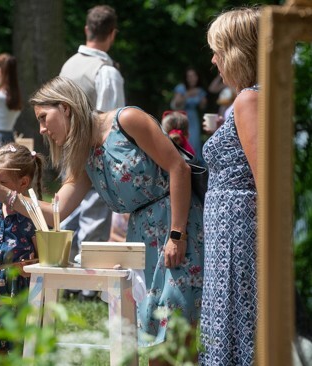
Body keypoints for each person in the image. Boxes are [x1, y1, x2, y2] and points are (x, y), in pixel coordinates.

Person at [0, 76, 204, 356]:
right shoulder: (84, 156)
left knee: (178, 339)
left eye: (43, 117)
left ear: (65, 108)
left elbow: (178, 169)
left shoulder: (127, 120)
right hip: (141, 239)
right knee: (155, 341)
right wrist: (5, 194)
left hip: (177, 223)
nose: (41, 129)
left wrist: (177, 233)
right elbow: (56, 212)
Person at [199, 7, 260, 365]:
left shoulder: (249, 98)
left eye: (218, 50)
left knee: (237, 321)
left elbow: (263, 175)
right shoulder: (250, 97)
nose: (213, 59)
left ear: (237, 52)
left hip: (238, 235)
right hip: (229, 234)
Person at [59, 5, 125, 275]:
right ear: (113, 34)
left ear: (87, 29)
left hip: (68, 145)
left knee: (68, 208)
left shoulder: (68, 65)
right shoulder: (106, 71)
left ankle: (63, 267)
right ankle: (87, 280)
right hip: (97, 150)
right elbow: (111, 121)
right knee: (95, 213)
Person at [0, 143, 45, 297]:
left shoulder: (33, 218)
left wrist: (32, 267)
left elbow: (45, 261)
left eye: (2, 183)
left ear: (23, 182)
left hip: (18, 296)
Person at [170, 67, 207, 161]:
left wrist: (203, 101)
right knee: (182, 141)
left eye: (194, 76)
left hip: (193, 118)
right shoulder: (181, 88)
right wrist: (188, 94)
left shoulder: (200, 90)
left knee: (195, 142)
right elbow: (175, 104)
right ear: (186, 78)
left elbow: (202, 107)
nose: (192, 78)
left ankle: (195, 165)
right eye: (189, 76)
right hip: (181, 118)